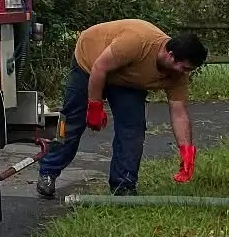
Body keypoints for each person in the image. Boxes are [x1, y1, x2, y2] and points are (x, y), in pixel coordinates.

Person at [37, 22, 207, 199]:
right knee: (72, 121)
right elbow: (99, 68)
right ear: (170, 55)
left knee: (133, 129)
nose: (185, 73)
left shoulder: (178, 75)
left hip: (127, 79)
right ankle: (48, 172)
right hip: (91, 62)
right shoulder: (137, 42)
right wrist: (94, 106)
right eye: (185, 68)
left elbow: (179, 112)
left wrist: (186, 150)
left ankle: (123, 186)